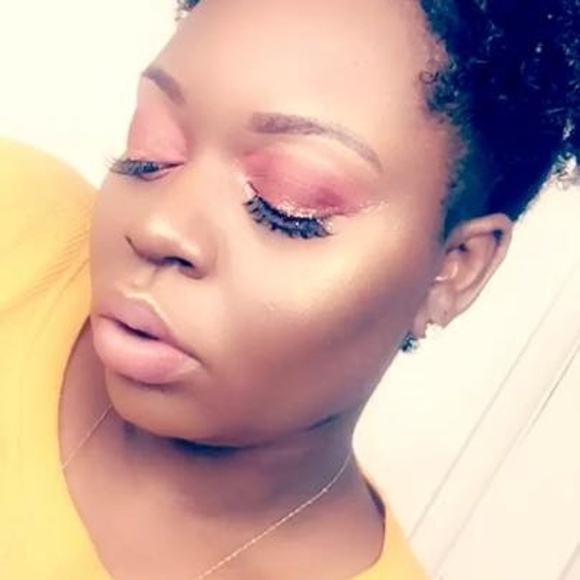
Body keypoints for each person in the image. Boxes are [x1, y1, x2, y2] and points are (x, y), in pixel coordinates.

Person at [1, 0, 578, 578]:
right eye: (150, 156)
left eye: (285, 206)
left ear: (453, 269)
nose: (159, 227)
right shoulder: (17, 217)